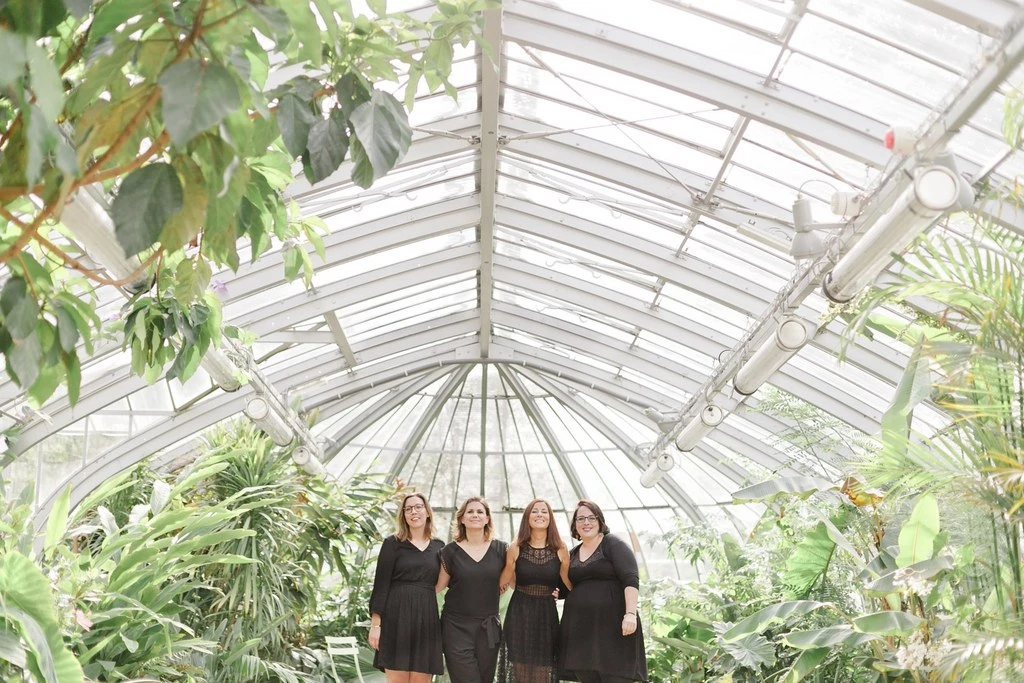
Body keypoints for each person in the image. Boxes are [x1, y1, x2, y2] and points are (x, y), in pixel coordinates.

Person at [558, 500, 647, 683]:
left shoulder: (613, 544)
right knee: (587, 677)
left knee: (616, 677)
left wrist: (630, 614)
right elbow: (569, 587)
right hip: (581, 632)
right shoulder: (573, 553)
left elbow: (630, 578)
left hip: (614, 628)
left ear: (600, 521)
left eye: (592, 518)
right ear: (575, 525)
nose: (586, 522)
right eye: (580, 518)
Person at [368, 492, 444, 683]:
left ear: (427, 512)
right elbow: (381, 585)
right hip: (396, 617)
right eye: (408, 509)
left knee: (421, 679)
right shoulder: (392, 544)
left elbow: (448, 579)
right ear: (403, 515)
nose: (413, 512)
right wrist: (376, 625)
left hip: (426, 618)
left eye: (418, 507)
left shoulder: (439, 546)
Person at [496, 498, 571, 683]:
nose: (539, 515)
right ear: (527, 518)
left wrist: (563, 594)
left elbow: (568, 583)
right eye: (535, 511)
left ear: (550, 517)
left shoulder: (560, 548)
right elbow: (505, 581)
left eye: (544, 511)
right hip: (519, 614)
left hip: (546, 616)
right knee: (521, 671)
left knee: (541, 672)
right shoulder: (516, 547)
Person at [436, 496, 508, 683]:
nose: (475, 515)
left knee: (485, 679)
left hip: (488, 628)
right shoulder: (449, 551)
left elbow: (516, 580)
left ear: (487, 519)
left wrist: (550, 591)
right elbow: (438, 586)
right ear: (461, 518)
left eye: (480, 511)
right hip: (455, 627)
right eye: (470, 511)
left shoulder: (502, 549)